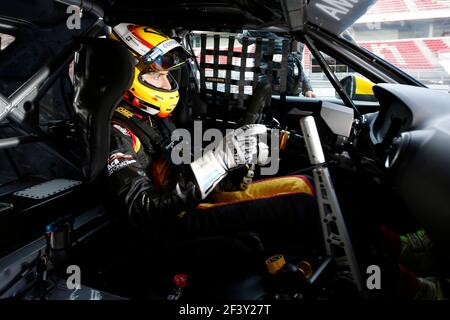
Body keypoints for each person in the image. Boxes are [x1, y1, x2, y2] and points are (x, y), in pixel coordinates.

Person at [105, 24, 321, 276]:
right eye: (156, 75)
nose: (166, 82)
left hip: (195, 198)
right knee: (301, 202)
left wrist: (225, 173)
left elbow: (180, 162)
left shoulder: (150, 116)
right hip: (178, 220)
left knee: (306, 184)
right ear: (126, 75)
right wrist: (218, 162)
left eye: (166, 74)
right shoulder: (118, 132)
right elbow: (142, 208)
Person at [238, 30, 316, 98]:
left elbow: (296, 65)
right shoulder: (268, 29)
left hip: (292, 89)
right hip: (269, 88)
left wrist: (307, 88)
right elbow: (241, 39)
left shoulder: (298, 37)